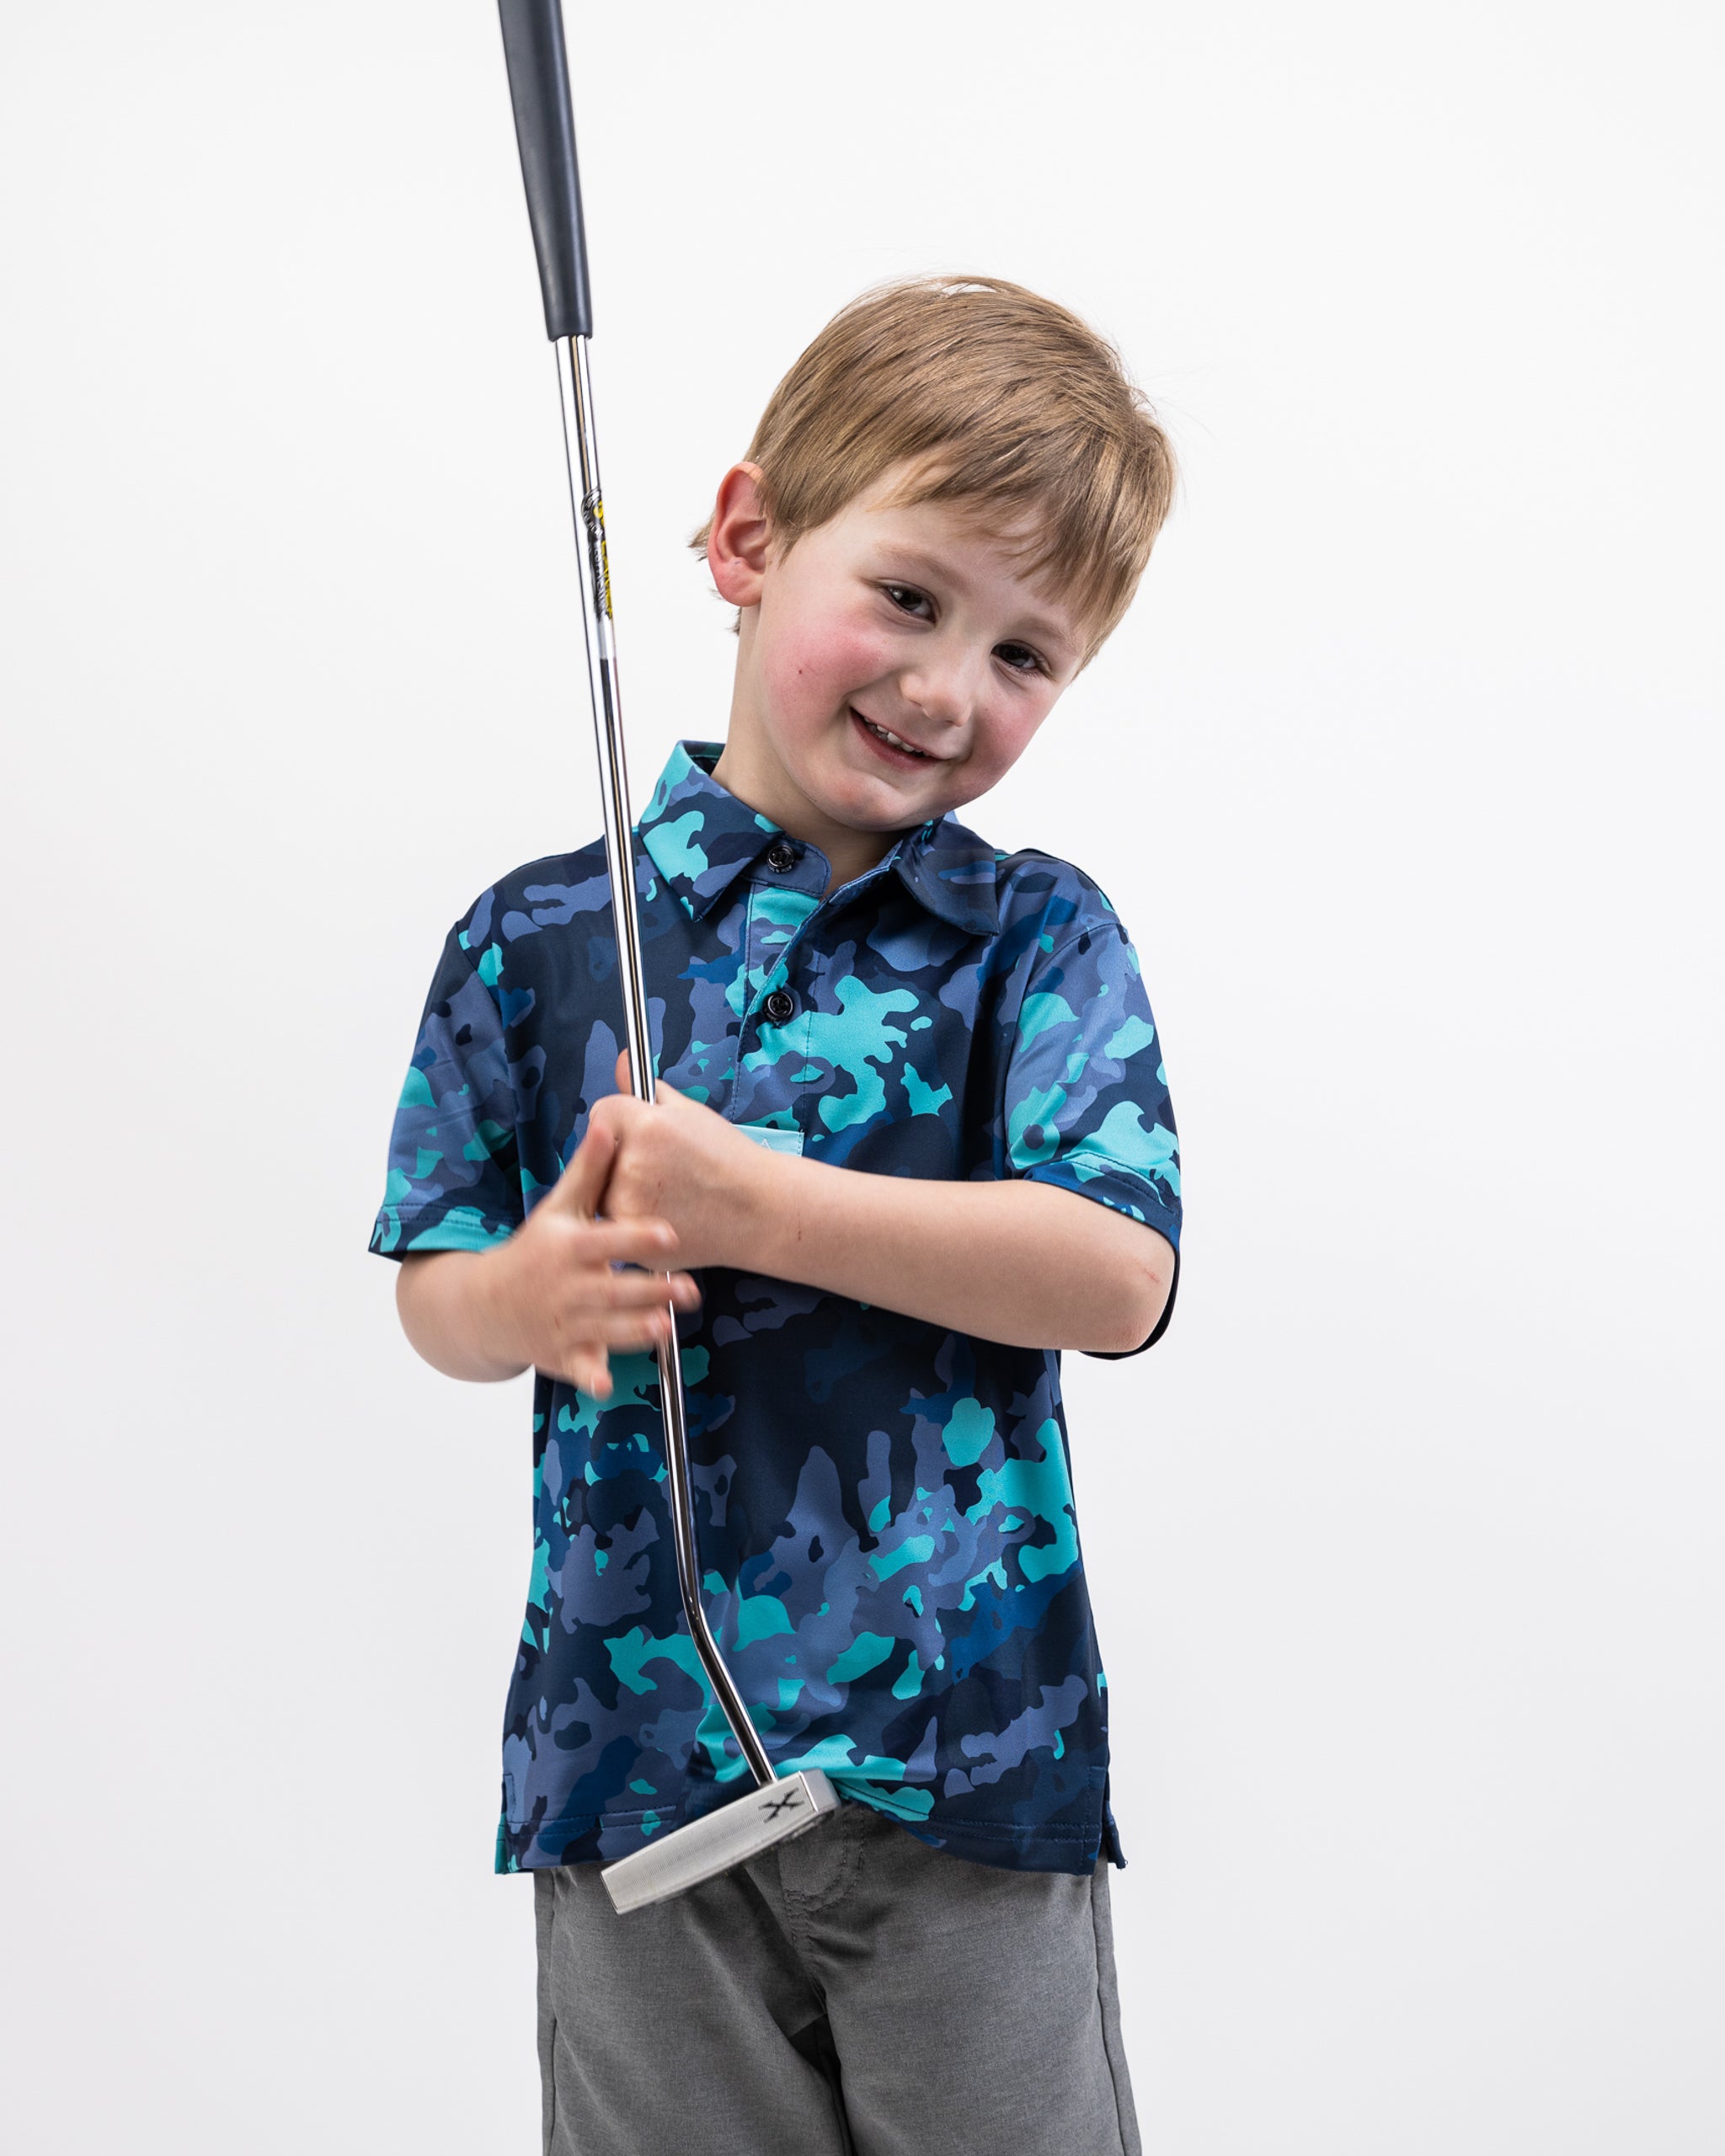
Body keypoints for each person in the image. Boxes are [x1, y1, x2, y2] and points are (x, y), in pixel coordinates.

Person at [370, 275, 1183, 2156]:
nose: (941, 689)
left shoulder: (1029, 934)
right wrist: (529, 1291)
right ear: (749, 539)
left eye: (1021, 655)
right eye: (907, 597)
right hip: (632, 1766)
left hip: (959, 1761)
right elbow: (436, 1291)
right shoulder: (540, 939)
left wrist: (757, 1201)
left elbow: (1114, 1271)